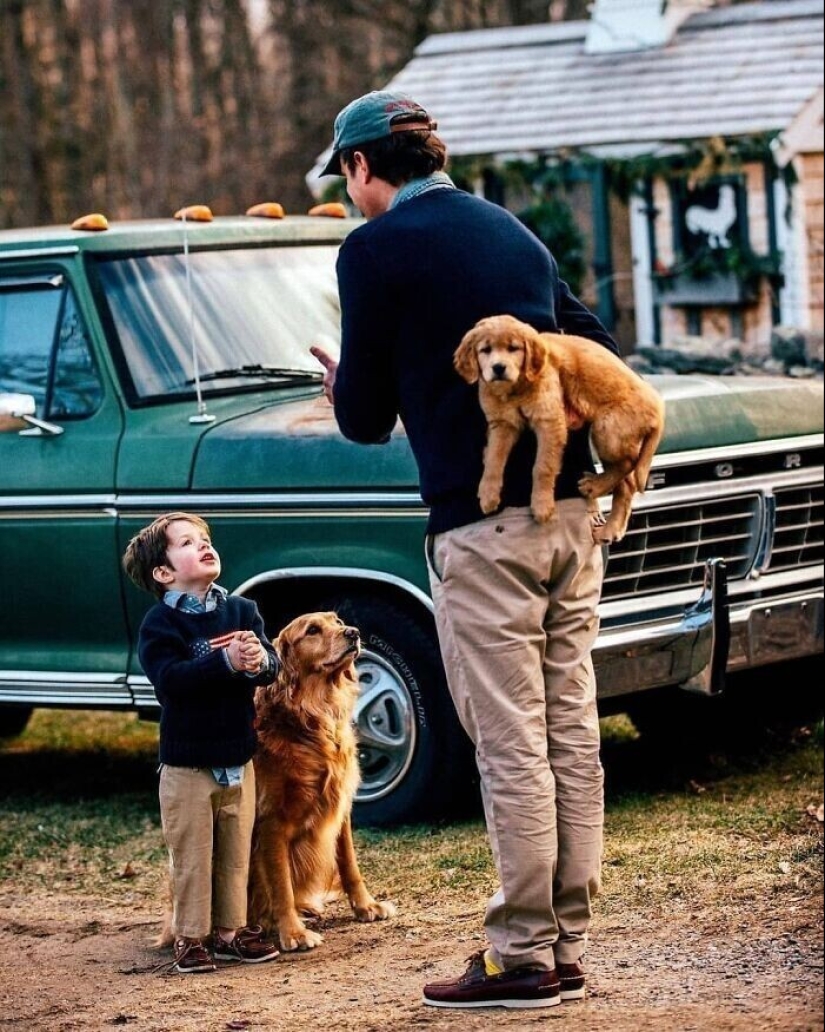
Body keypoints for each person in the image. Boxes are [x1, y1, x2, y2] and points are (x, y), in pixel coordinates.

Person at [311, 91, 621, 1010]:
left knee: (510, 742)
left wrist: (341, 385)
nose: (348, 193)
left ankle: (520, 956)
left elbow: (365, 418)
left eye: (347, 177)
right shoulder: (511, 235)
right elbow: (596, 347)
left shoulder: (373, 250)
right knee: (569, 730)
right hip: (569, 521)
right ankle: (561, 943)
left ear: (366, 167)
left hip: (482, 531)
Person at [122, 511, 280, 974]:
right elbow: (171, 682)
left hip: (238, 758)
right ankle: (191, 936)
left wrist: (257, 662)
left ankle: (232, 931)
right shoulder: (160, 626)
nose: (204, 545)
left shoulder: (242, 611)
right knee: (192, 854)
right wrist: (225, 663)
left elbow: (272, 666)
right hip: (187, 765)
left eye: (205, 538)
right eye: (188, 542)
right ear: (164, 573)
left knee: (235, 851)